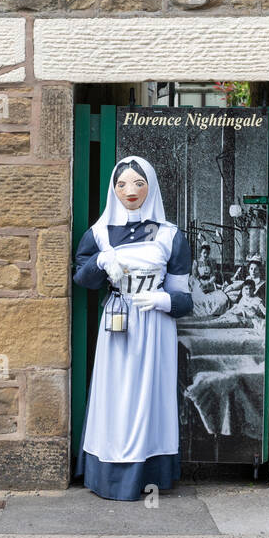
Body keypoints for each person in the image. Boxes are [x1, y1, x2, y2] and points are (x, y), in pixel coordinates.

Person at [72, 156, 193, 501]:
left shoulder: (170, 236)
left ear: (150, 187)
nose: (130, 191)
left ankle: (149, 471)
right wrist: (100, 260)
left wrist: (162, 301)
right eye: (122, 184)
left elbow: (185, 300)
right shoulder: (98, 233)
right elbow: (82, 279)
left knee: (150, 397)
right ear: (113, 188)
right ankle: (108, 471)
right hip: (117, 324)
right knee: (115, 396)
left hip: (155, 329)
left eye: (139, 184)